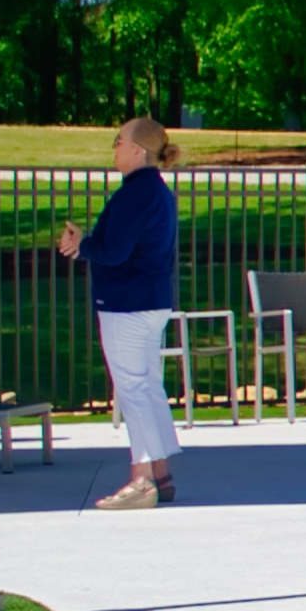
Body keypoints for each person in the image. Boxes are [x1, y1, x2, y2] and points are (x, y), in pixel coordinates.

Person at [72, 117, 184, 508]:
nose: (114, 147)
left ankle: (142, 481)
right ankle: (160, 472)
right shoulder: (156, 191)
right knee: (148, 387)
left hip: (127, 303)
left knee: (134, 389)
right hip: (150, 300)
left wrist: (82, 245)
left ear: (138, 150)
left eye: (119, 141)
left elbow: (114, 252)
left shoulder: (136, 193)